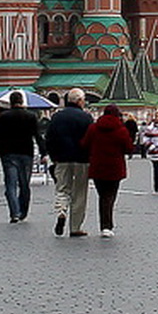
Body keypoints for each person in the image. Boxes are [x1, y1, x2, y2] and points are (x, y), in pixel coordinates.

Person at [46, 89, 95, 237]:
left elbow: (50, 138)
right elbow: (91, 139)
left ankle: (61, 211)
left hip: (61, 158)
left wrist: (53, 156)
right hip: (81, 159)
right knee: (80, 193)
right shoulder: (86, 118)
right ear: (79, 100)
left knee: (62, 189)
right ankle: (75, 227)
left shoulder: (57, 117)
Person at [83, 104, 131, 237]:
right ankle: (107, 226)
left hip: (98, 166)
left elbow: (85, 144)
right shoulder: (121, 130)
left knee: (102, 195)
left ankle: (105, 224)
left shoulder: (93, 128)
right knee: (110, 195)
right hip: (115, 167)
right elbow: (128, 148)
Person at [0, 92, 41, 222]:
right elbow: (37, 135)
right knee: (24, 184)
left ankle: (14, 212)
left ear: (11, 102)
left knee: (10, 184)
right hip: (26, 153)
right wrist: (44, 152)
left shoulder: (1, 117)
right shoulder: (31, 116)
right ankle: (23, 211)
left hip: (8, 153)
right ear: (22, 101)